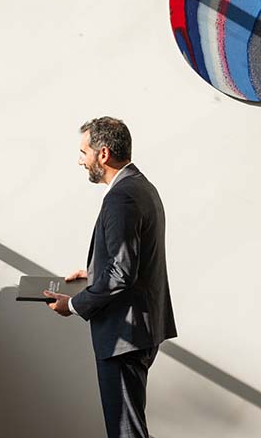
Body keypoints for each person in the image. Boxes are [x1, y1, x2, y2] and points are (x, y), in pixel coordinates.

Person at [44, 117, 177, 438]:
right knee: (130, 427)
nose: (80, 160)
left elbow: (121, 274)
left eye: (83, 152)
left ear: (102, 154)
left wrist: (74, 305)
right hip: (140, 330)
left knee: (125, 431)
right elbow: (131, 260)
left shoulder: (121, 197)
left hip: (123, 337)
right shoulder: (142, 186)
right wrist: (92, 273)